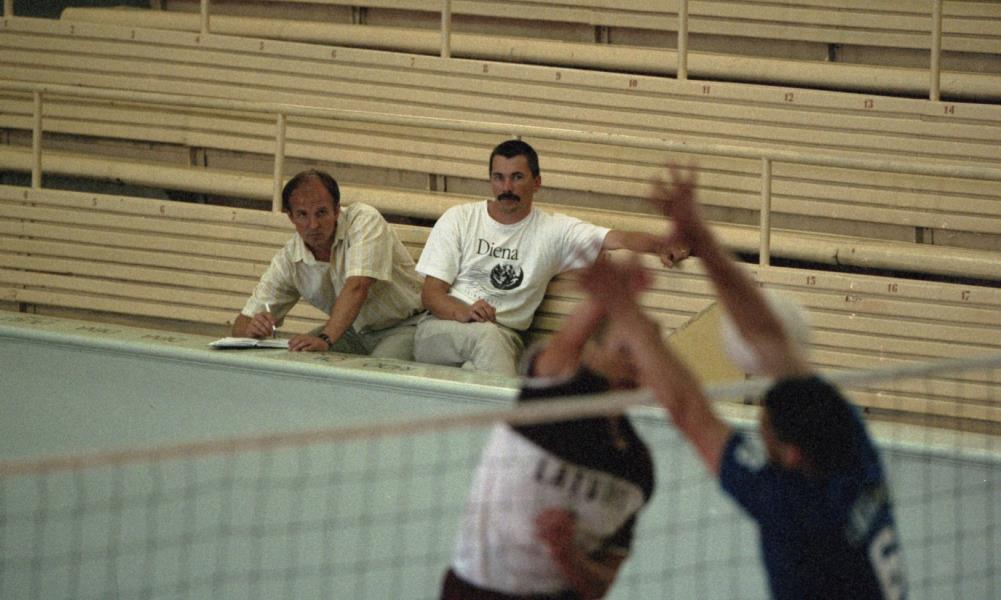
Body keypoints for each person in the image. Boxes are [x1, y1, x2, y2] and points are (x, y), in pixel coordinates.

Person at [581, 165, 907, 600]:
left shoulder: (788, 505)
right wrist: (701, 239)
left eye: (763, 424)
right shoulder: (850, 444)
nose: (758, 426)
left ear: (790, 455)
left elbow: (689, 409)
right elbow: (771, 340)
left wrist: (622, 307)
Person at [441, 256, 655, 600]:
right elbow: (568, 341)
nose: (635, 363)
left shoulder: (637, 467)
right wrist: (610, 292)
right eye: (625, 350)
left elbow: (599, 586)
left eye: (646, 352)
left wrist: (566, 553)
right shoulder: (551, 397)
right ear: (593, 353)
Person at [414, 139, 690, 377]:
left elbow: (618, 239)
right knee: (486, 340)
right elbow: (431, 295)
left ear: (537, 183)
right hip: (441, 329)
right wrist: (465, 312)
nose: (506, 187)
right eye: (498, 177)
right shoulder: (460, 219)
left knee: (476, 368)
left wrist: (661, 245)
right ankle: (513, 420)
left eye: (517, 177)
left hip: (504, 337)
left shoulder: (553, 230)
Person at [232, 169, 424, 358]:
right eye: (303, 215)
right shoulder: (288, 259)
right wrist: (251, 329)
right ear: (290, 217)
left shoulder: (364, 220)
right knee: (297, 358)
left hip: (405, 325)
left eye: (321, 212)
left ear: (337, 210)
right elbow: (241, 324)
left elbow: (358, 286)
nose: (313, 225)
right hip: (352, 332)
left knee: (376, 373)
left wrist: (325, 338)